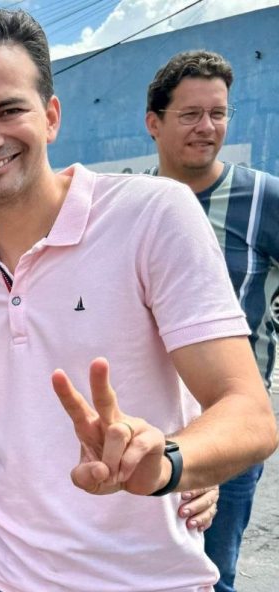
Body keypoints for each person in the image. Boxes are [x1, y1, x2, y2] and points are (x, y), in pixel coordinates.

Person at [0, 8, 277, 592]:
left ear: (52, 116)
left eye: (9, 110)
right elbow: (3, 434)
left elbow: (249, 413)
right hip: (3, 579)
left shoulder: (153, 214)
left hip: (149, 581)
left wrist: (169, 460)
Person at [144, 49, 279, 592]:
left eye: (218, 113)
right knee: (138, 571)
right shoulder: (136, 205)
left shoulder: (265, 199)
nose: (207, 127)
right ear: (154, 123)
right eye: (190, 114)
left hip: (228, 426)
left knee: (211, 575)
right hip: (150, 426)